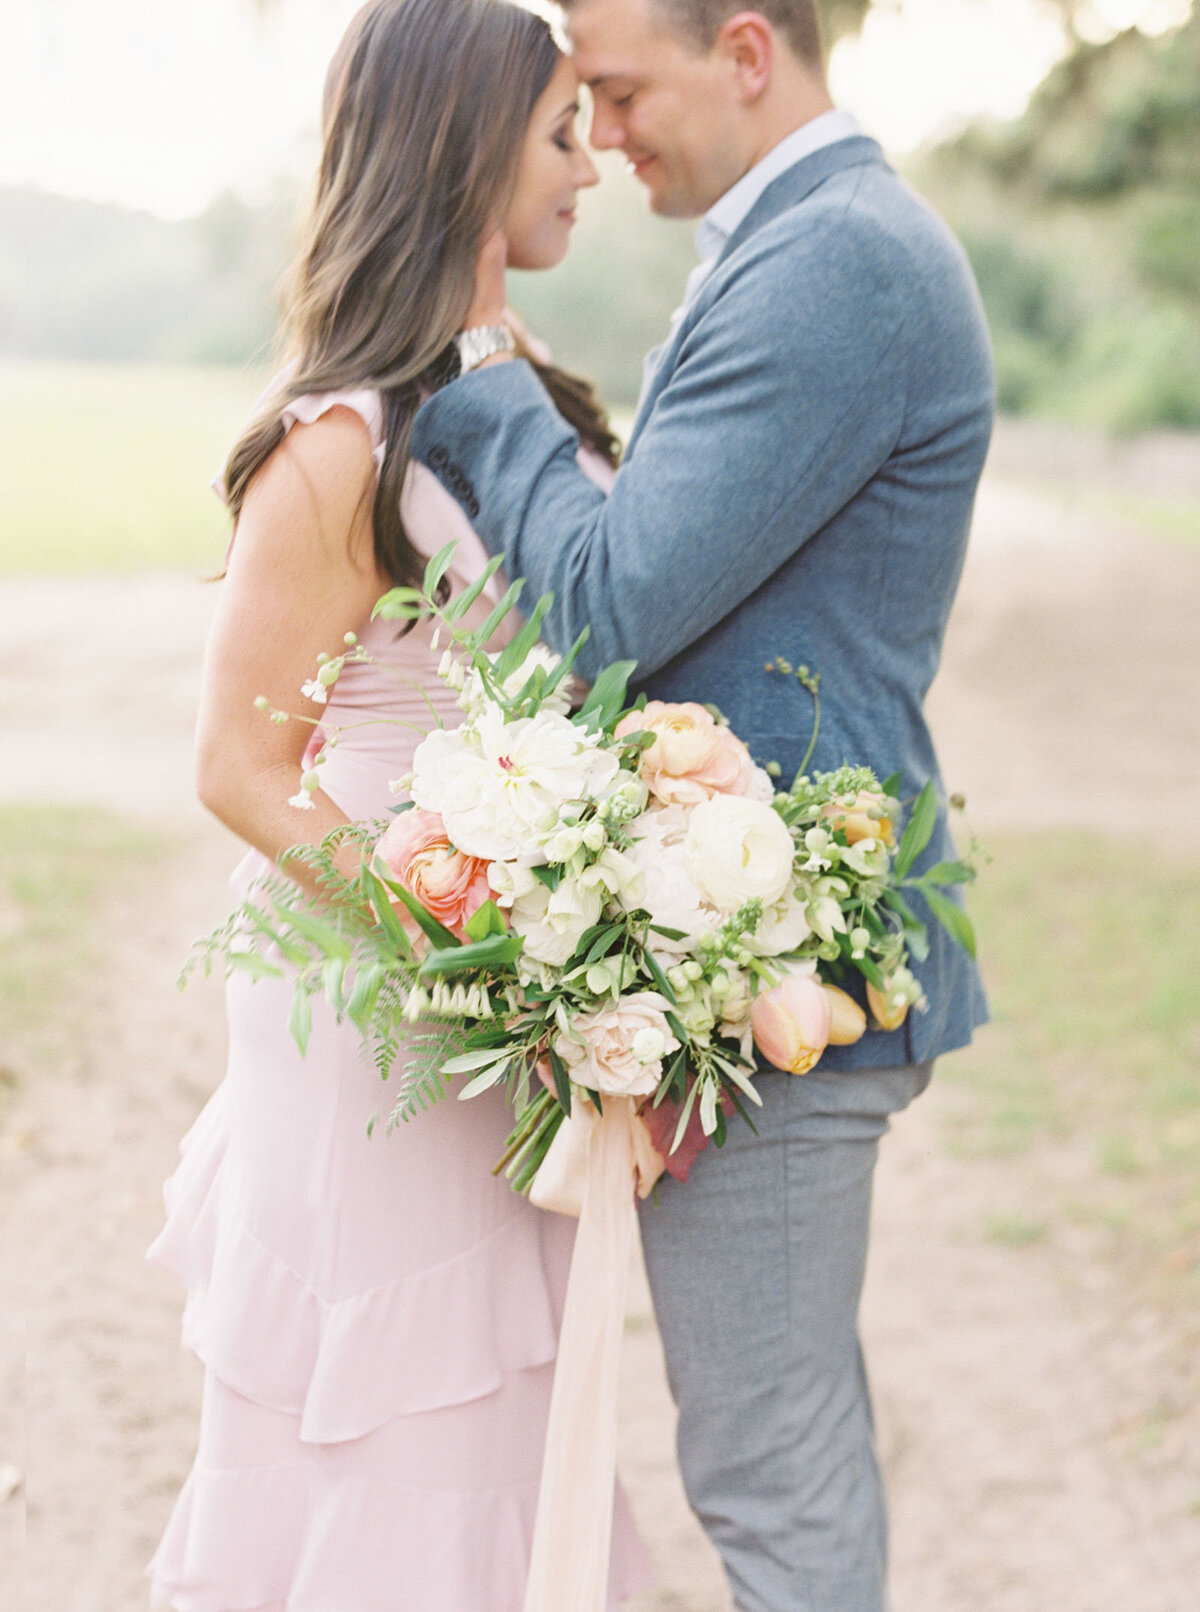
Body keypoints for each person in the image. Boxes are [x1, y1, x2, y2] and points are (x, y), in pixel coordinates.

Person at [409, 1, 995, 1608]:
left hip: (785, 960)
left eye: (616, 88)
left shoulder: (838, 266)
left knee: (766, 1462)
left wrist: (475, 368)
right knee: (769, 1442)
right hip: (755, 938)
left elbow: (612, 604)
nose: (597, 133)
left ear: (745, 52)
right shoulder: (803, 245)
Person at [147, 3, 648, 1608]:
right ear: (459, 143)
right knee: (387, 1442)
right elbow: (237, 767)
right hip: (379, 1015)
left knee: (506, 1434)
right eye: (563, 131)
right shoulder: (338, 445)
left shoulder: (541, 410)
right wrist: (466, 953)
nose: (594, 166)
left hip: (506, 1015)